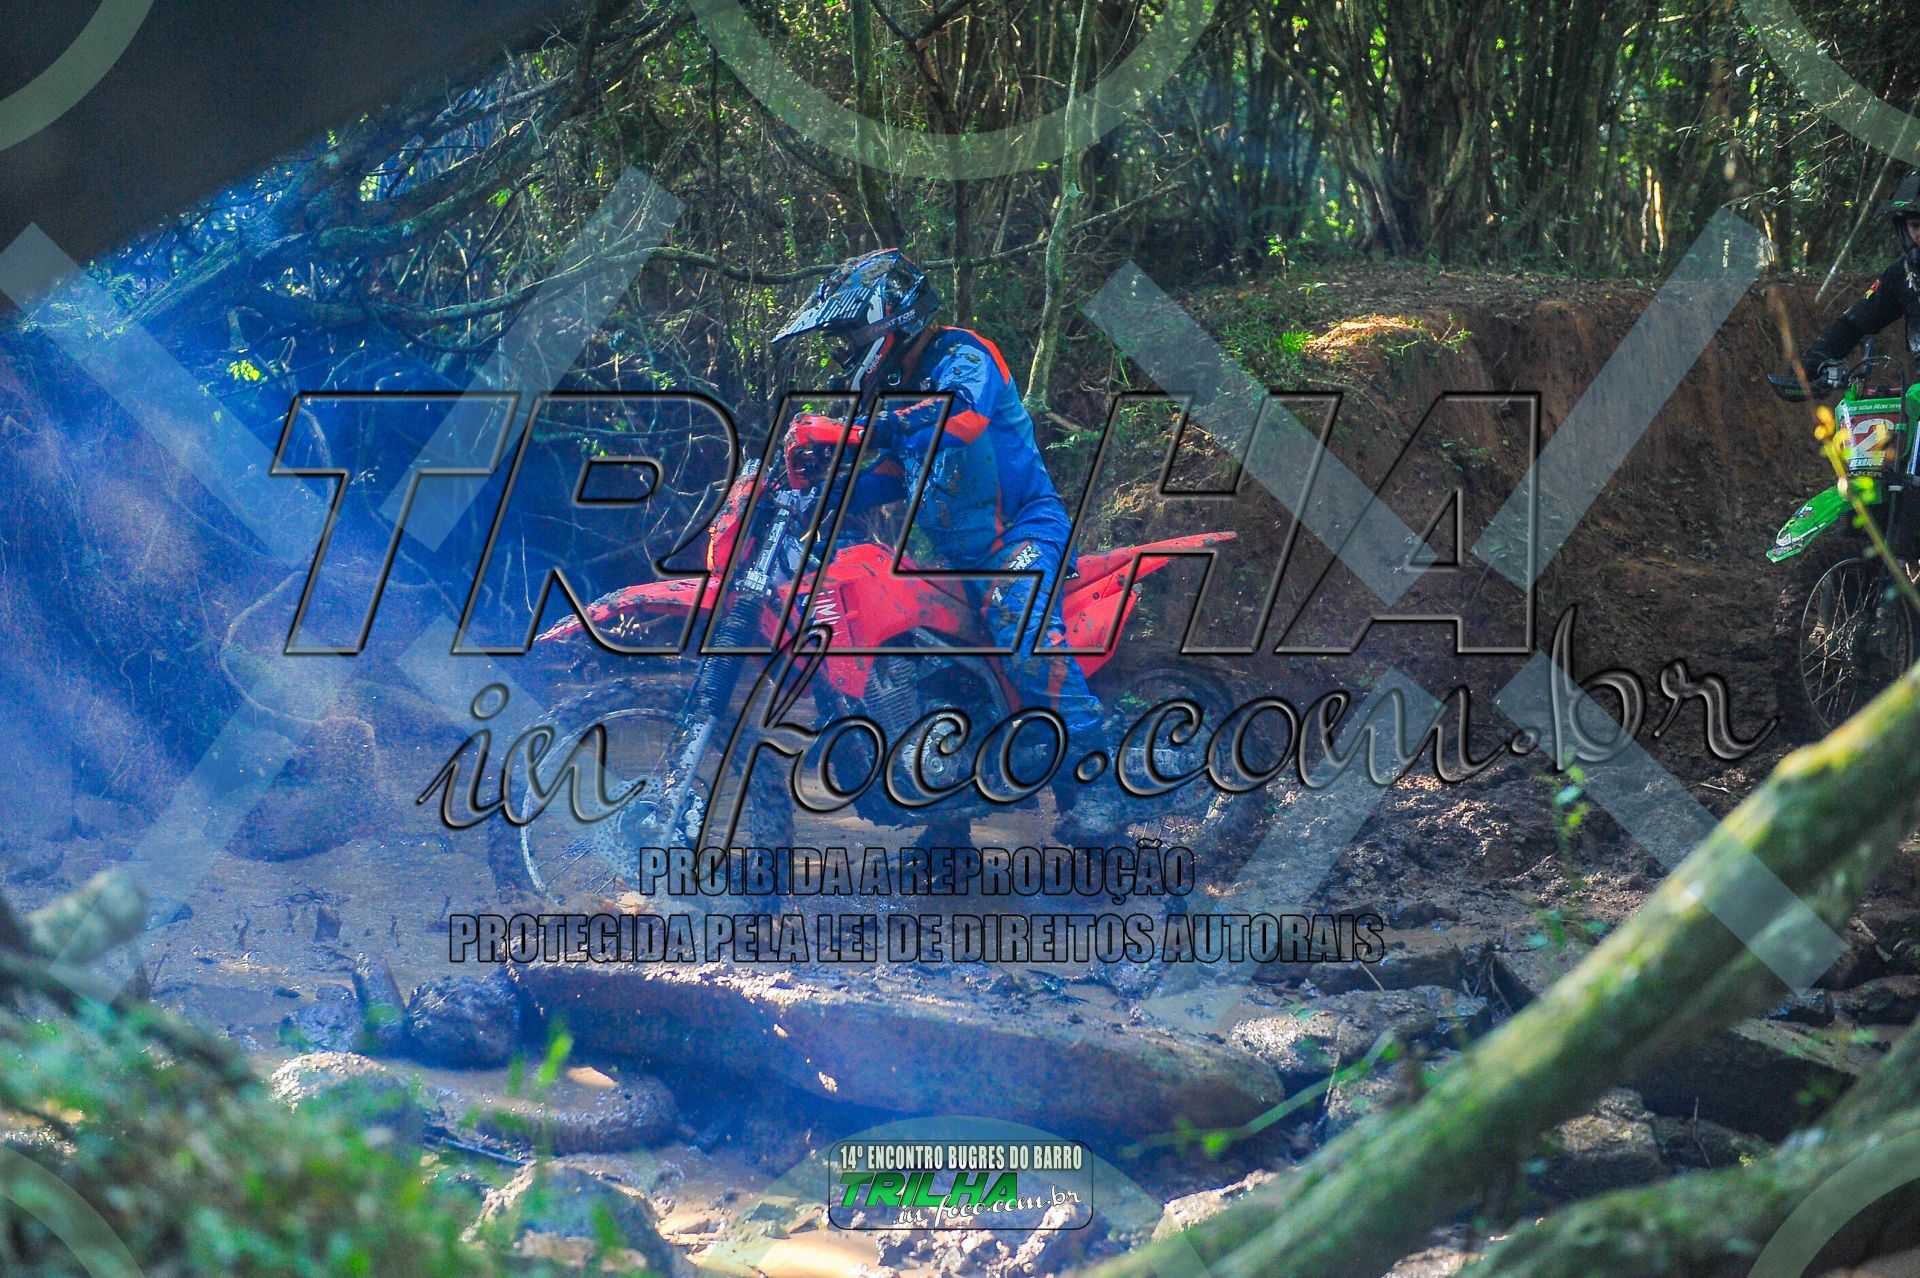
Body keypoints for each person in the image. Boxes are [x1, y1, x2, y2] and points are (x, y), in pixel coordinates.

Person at [770, 248, 1124, 842]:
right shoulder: (900, 389)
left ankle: (1100, 787)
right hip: (954, 556)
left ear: (889, 320)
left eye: (849, 333)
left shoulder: (964, 354)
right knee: (931, 671)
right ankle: (948, 832)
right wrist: (821, 492)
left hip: (1022, 535)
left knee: (1023, 635)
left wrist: (863, 429)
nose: (844, 347)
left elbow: (960, 421)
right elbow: (893, 474)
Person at [1801, 173, 1920, 387]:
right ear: (1903, 228)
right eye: (1915, 225)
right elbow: (1854, 322)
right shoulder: (1901, 275)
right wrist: (1813, 361)